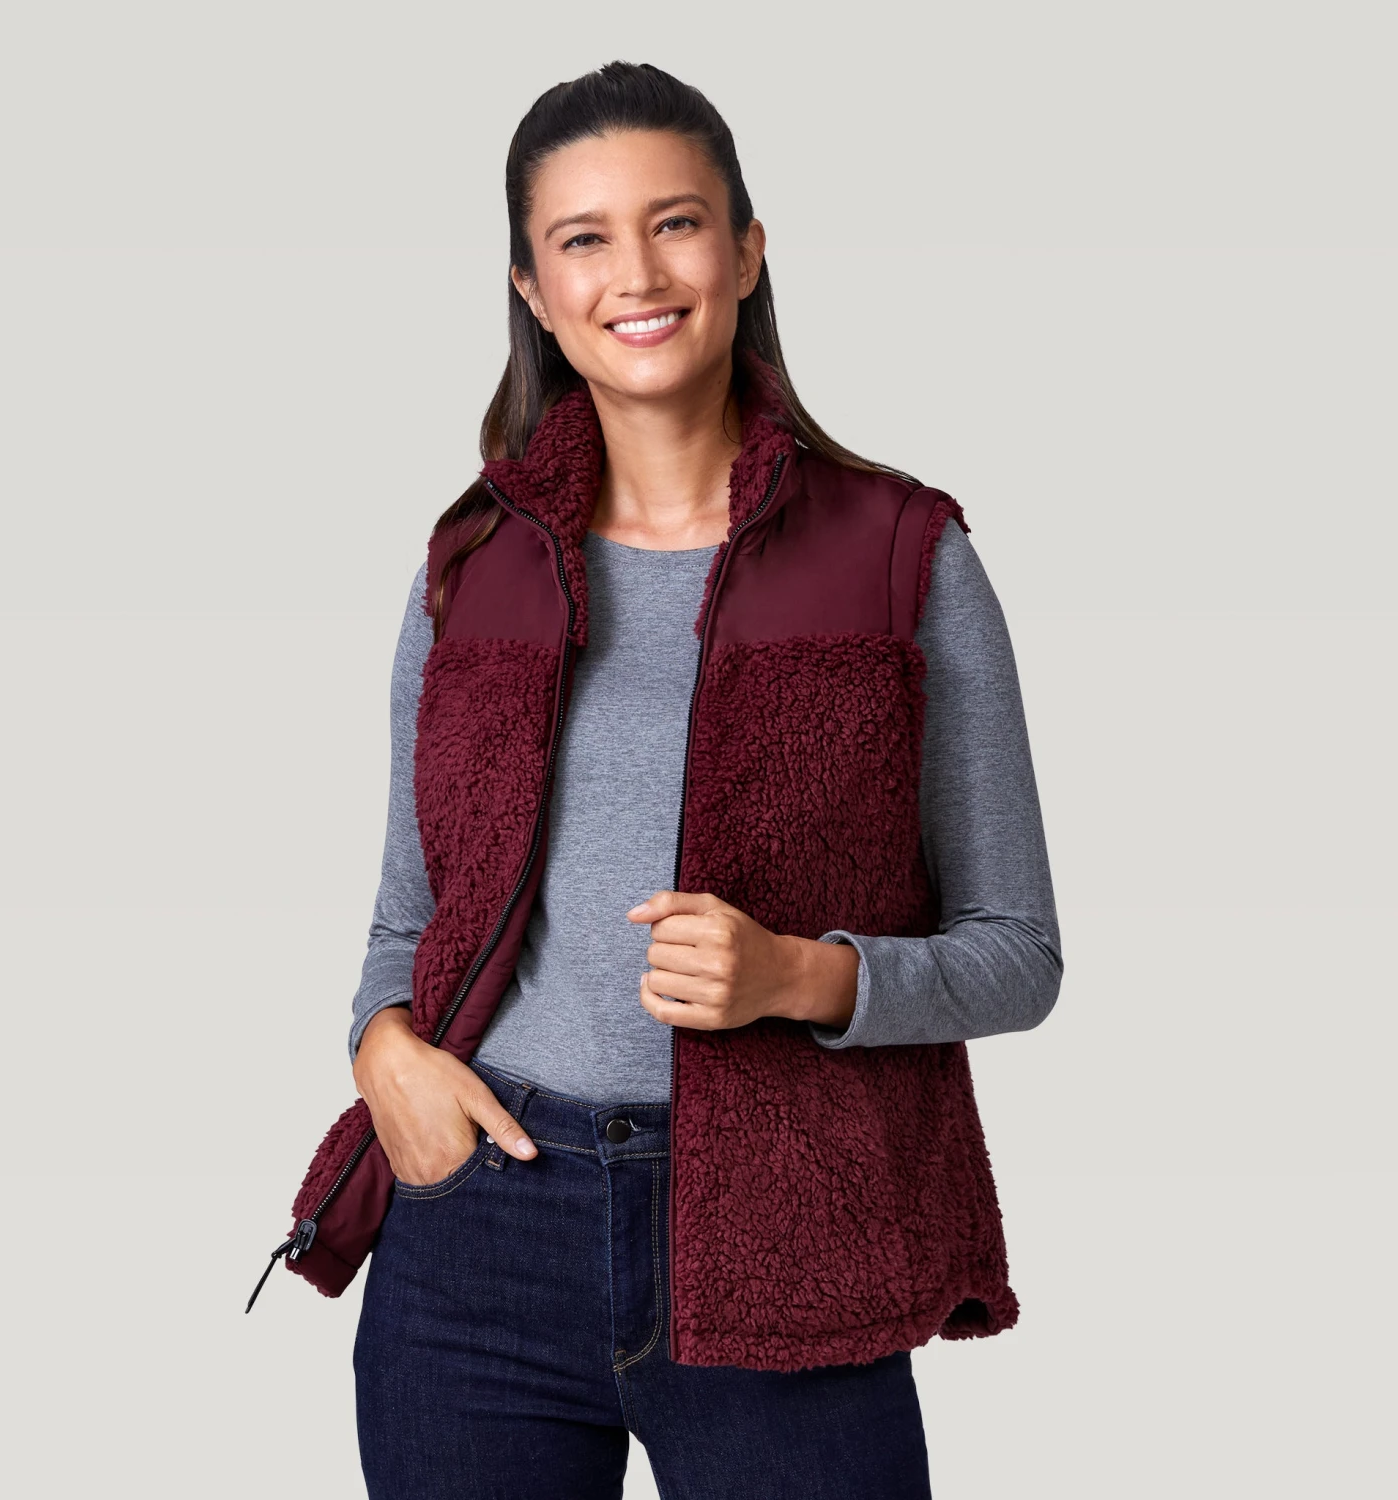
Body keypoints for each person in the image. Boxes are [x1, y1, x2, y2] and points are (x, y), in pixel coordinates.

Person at [347, 60, 1062, 1500]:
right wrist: (382, 1056)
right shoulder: (470, 567)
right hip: (480, 1237)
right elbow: (409, 920)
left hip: (787, 1239)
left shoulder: (906, 557)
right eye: (584, 239)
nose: (637, 274)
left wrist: (799, 976)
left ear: (744, 251)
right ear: (534, 289)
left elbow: (1019, 955)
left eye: (675, 223)